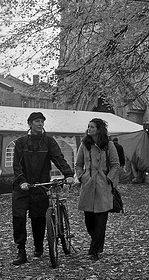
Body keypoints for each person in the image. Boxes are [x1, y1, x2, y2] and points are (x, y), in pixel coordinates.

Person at [12, 112, 75, 265]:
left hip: (40, 185)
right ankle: (21, 250)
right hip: (23, 186)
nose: (40, 124)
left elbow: (58, 158)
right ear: (30, 124)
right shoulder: (21, 143)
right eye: (37, 121)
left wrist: (68, 174)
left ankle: (38, 247)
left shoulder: (48, 142)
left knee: (39, 218)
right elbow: (17, 165)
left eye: (42, 121)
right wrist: (21, 181)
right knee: (18, 217)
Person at [76, 118, 120, 261]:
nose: (89, 129)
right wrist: (82, 177)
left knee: (100, 221)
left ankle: (94, 249)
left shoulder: (109, 145)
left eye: (93, 127)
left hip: (102, 185)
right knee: (89, 221)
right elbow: (78, 163)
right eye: (88, 126)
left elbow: (115, 164)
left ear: (99, 129)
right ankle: (96, 244)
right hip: (88, 184)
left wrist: (109, 179)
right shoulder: (84, 144)